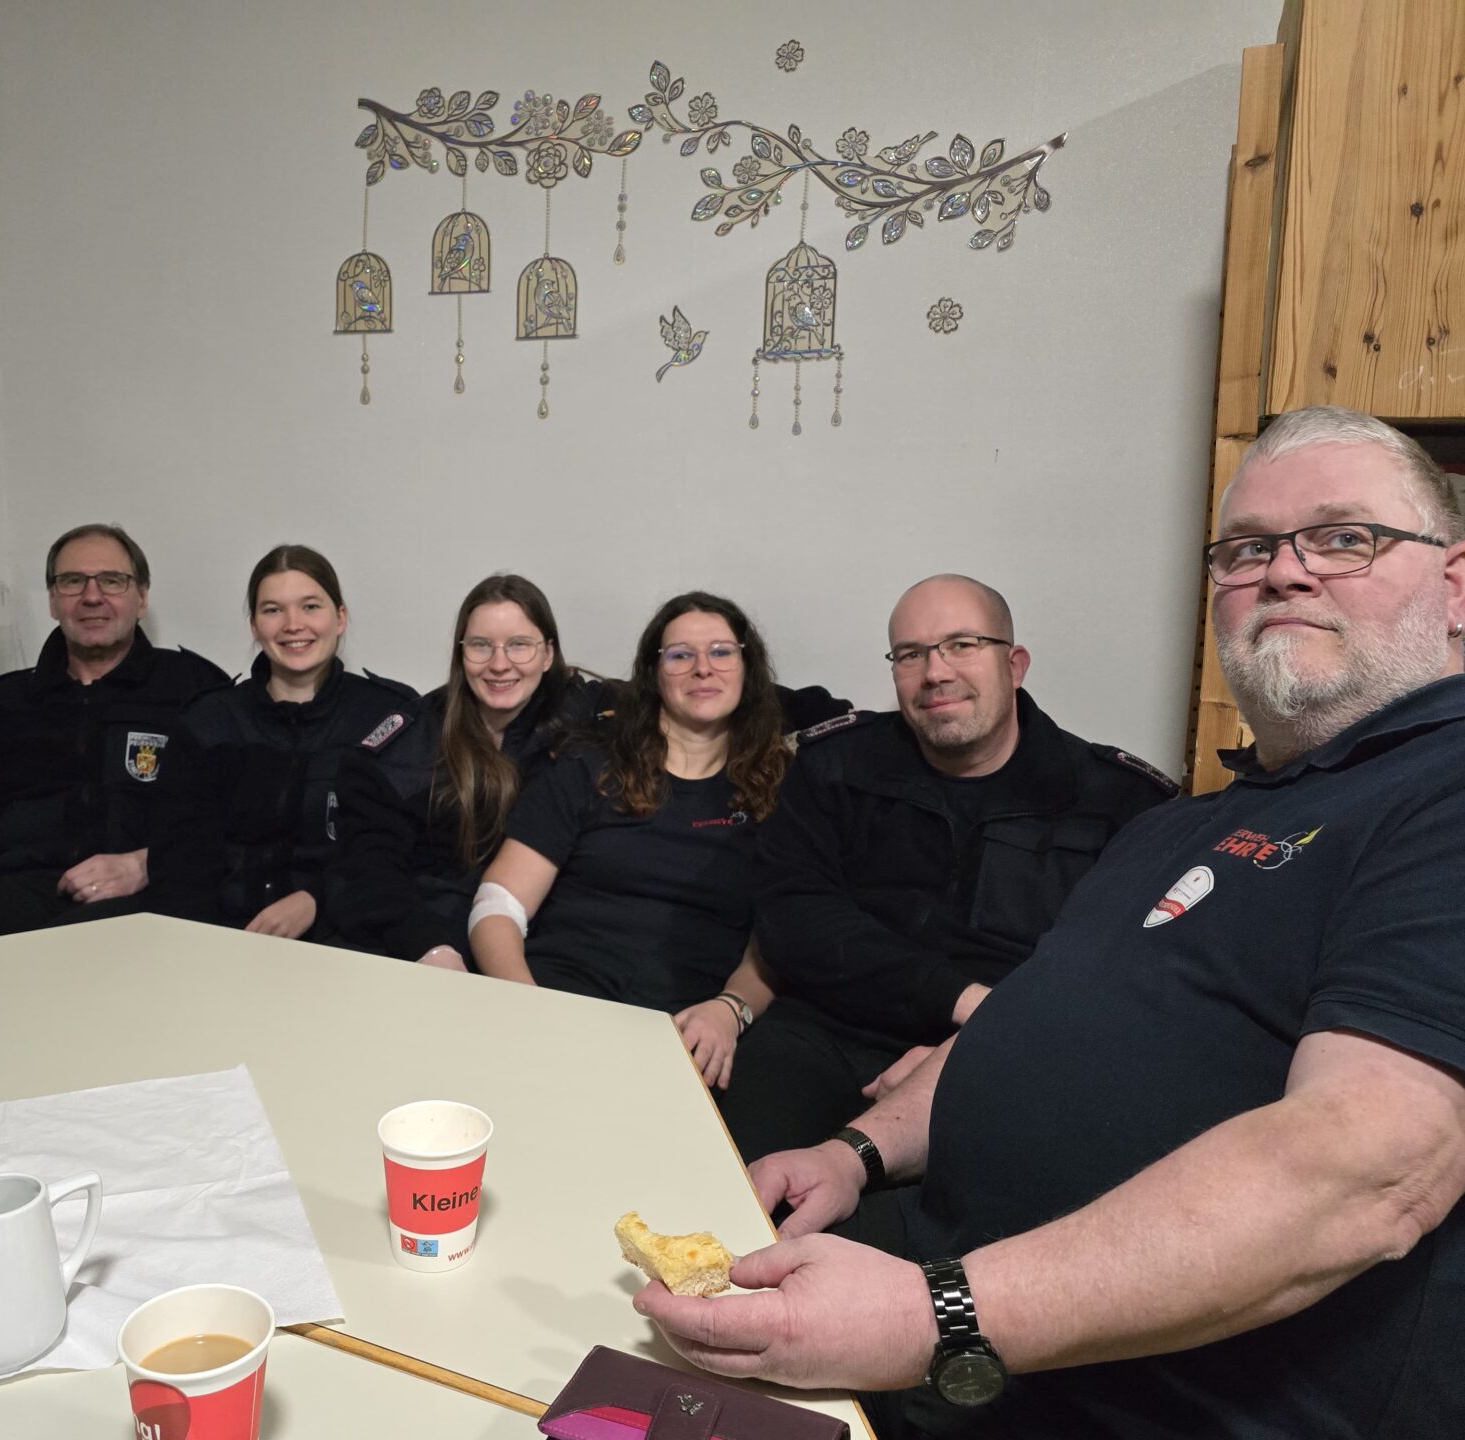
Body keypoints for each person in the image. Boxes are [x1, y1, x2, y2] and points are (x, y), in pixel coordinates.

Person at [633, 406, 1465, 1439]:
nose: (1285, 572)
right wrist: (855, 1152)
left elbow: (1369, 1170)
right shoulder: (1181, 822)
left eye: (1344, 538)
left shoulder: (1438, 793)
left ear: (1455, 585)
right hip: (936, 1275)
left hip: (1131, 1390)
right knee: (612, 1357)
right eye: (1248, 549)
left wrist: (930, 1316)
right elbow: (1027, 1019)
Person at [718, 575, 1174, 1161]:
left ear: (1015, 665)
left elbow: (1114, 978)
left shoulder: (1119, 800)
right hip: (826, 1034)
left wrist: (973, 1039)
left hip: (1012, 1048)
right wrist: (960, 999)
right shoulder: (833, 766)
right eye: (910, 654)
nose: (935, 672)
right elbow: (795, 922)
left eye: (962, 644)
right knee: (729, 1179)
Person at [469, 592, 824, 1091]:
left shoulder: (787, 793)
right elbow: (498, 905)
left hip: (685, 1032)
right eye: (680, 655)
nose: (703, 668)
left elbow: (780, 940)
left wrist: (731, 1010)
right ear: (654, 673)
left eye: (721, 652)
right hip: (554, 1001)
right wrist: (524, 1002)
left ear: (748, 669)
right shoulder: (587, 768)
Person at [0, 524, 229, 947]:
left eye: (112, 580)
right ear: (53, 601)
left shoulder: (196, 692)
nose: (92, 596)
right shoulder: (2, 705)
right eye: (73, 581)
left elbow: (236, 815)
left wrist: (148, 863)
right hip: (13, 889)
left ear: (142, 598)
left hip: (146, 893)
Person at [328, 574, 603, 969]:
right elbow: (368, 869)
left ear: (548, 654)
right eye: (480, 646)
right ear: (460, 654)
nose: (499, 664)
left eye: (519, 645)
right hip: (424, 948)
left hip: (548, 952)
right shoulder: (409, 742)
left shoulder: (589, 724)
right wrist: (429, 946)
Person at [145, 544, 416, 940]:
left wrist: (318, 899)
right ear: (254, 626)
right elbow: (180, 867)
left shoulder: (387, 718)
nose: (293, 624)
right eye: (273, 610)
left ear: (340, 618)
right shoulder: (209, 722)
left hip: (348, 937)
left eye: (310, 607)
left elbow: (396, 855)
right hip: (222, 938)